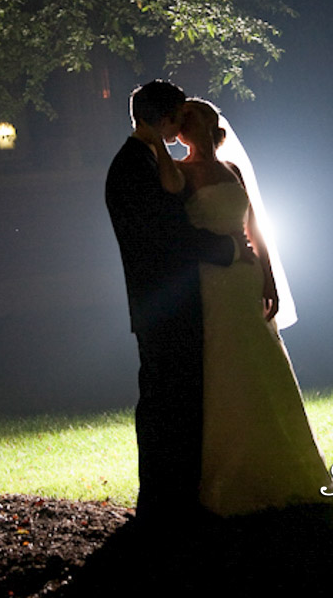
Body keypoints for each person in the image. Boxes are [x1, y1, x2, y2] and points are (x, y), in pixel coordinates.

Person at [162, 98, 333, 594]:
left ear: (208, 127)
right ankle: (228, 472)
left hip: (247, 277)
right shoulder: (178, 175)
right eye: (185, 123)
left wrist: (268, 276)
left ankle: (284, 461)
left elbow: (256, 228)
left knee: (262, 365)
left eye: (195, 121)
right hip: (211, 285)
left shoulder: (232, 168)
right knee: (224, 366)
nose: (190, 130)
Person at [103, 80, 244, 536]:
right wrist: (224, 248)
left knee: (176, 404)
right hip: (161, 305)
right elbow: (168, 237)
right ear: (162, 120)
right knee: (166, 405)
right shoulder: (131, 166)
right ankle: (164, 505)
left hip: (168, 303)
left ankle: (174, 500)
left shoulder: (144, 159)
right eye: (175, 119)